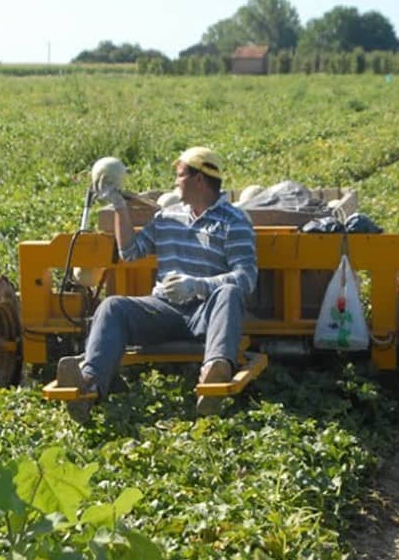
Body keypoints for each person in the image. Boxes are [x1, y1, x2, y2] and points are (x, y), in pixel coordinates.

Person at [58, 146, 257, 416]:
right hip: (164, 310)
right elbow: (130, 252)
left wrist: (196, 284)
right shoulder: (167, 217)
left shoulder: (234, 222)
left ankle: (215, 373)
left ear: (199, 179)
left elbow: (246, 278)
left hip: (206, 312)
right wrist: (119, 207)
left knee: (230, 292)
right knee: (112, 306)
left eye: (179, 175)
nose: (175, 182)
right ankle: (88, 383)